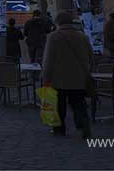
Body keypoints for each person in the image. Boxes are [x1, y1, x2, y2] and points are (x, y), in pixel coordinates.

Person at [42, 10, 93, 139]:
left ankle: (59, 129)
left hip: (58, 78)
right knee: (79, 104)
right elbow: (90, 56)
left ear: (57, 23)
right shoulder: (82, 36)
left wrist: (45, 77)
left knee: (59, 105)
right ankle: (83, 125)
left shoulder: (53, 37)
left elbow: (48, 60)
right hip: (78, 78)